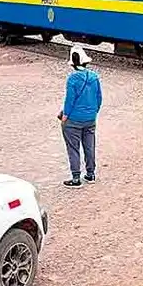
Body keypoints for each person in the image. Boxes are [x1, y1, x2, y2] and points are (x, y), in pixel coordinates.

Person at [59, 45, 103, 188]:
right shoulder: (94, 77)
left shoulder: (72, 78)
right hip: (90, 119)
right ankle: (90, 174)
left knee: (73, 148)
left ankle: (76, 178)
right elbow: (99, 98)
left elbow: (69, 100)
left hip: (74, 120)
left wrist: (65, 116)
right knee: (89, 146)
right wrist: (92, 113)